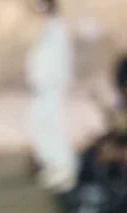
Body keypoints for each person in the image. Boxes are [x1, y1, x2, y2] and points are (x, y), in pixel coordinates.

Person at [25, 0, 77, 192]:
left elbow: (60, 61)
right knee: (41, 125)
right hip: (42, 87)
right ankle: (52, 165)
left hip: (52, 86)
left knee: (55, 126)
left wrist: (54, 82)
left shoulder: (57, 28)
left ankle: (64, 169)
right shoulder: (47, 29)